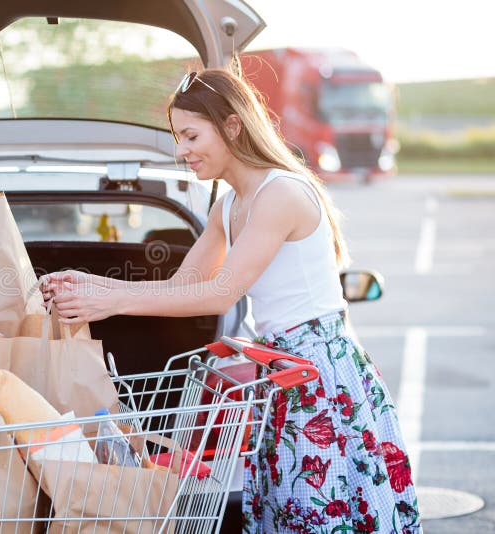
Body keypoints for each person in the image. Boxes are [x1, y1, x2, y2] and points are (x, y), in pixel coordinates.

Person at [41, 68, 421, 533]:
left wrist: (113, 300)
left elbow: (221, 294)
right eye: (179, 137)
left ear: (233, 126)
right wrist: (94, 286)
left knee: (321, 514)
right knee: (291, 511)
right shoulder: (229, 205)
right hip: (280, 371)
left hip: (318, 374)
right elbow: (184, 285)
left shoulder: (279, 193)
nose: (182, 151)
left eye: (191, 135)